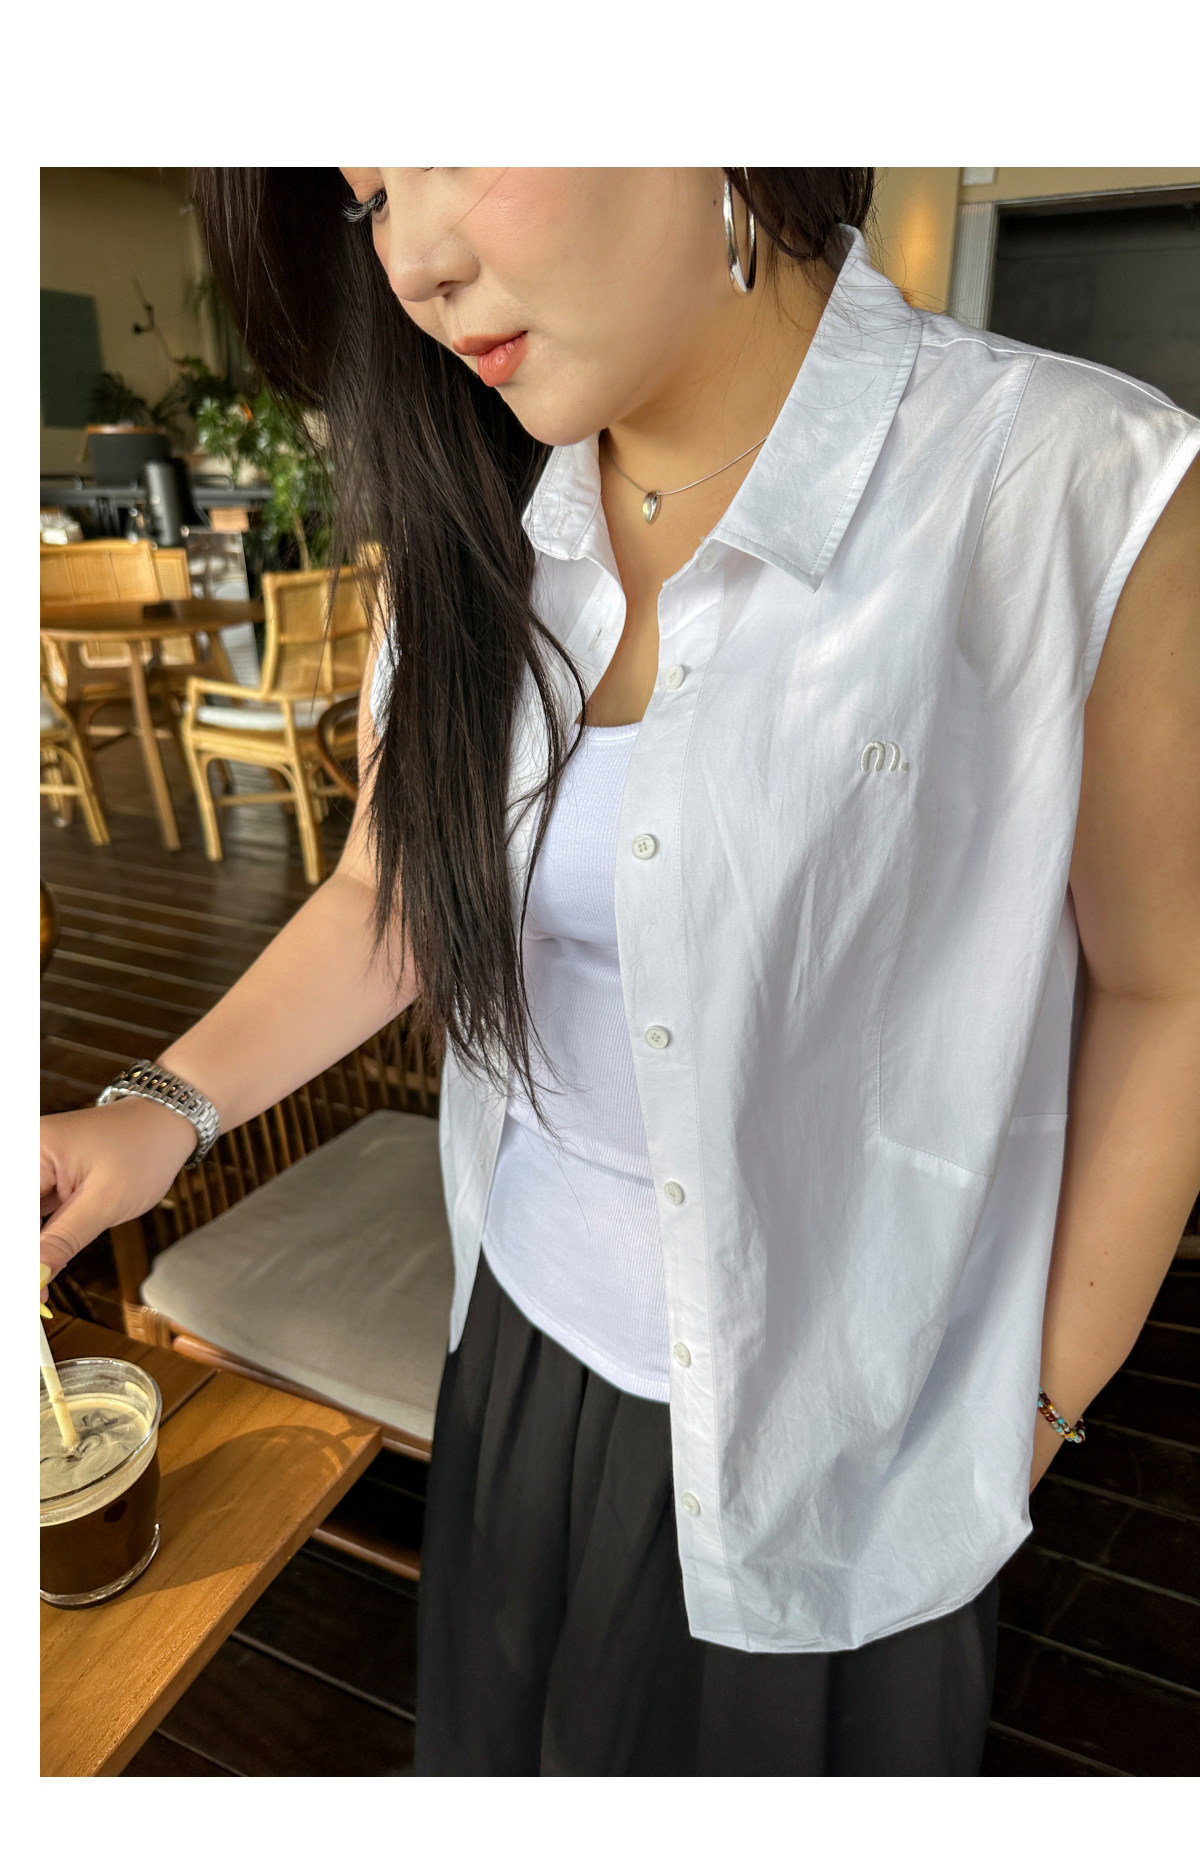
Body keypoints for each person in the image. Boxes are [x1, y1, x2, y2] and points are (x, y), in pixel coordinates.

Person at [40, 169, 1200, 1776]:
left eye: (455, 141)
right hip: (521, 1344)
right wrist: (158, 1109)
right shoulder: (468, 504)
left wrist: (1036, 1412)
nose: (414, 262)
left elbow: (1168, 990)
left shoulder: (1074, 486)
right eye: (369, 199)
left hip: (850, 1413)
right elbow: (395, 885)